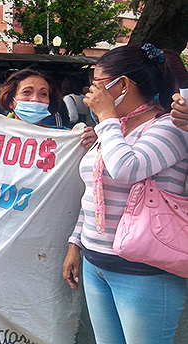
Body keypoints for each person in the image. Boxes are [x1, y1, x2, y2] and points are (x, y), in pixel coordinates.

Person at [62, 44, 188, 344]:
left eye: (97, 83)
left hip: (145, 271)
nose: (91, 93)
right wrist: (75, 243)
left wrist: (105, 119)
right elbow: (93, 191)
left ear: (122, 85)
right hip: (96, 265)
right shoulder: (112, 130)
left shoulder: (169, 128)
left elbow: (127, 169)